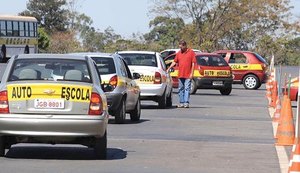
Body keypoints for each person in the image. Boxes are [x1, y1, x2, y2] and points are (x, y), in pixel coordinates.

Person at [167, 40, 196, 108]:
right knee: (180, 89)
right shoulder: (179, 53)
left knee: (187, 88)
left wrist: (192, 73)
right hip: (181, 74)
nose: (181, 49)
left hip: (188, 74)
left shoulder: (191, 52)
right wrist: (169, 68)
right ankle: (181, 102)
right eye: (180, 47)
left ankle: (186, 102)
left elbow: (193, 63)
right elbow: (174, 61)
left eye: (182, 47)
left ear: (185, 46)